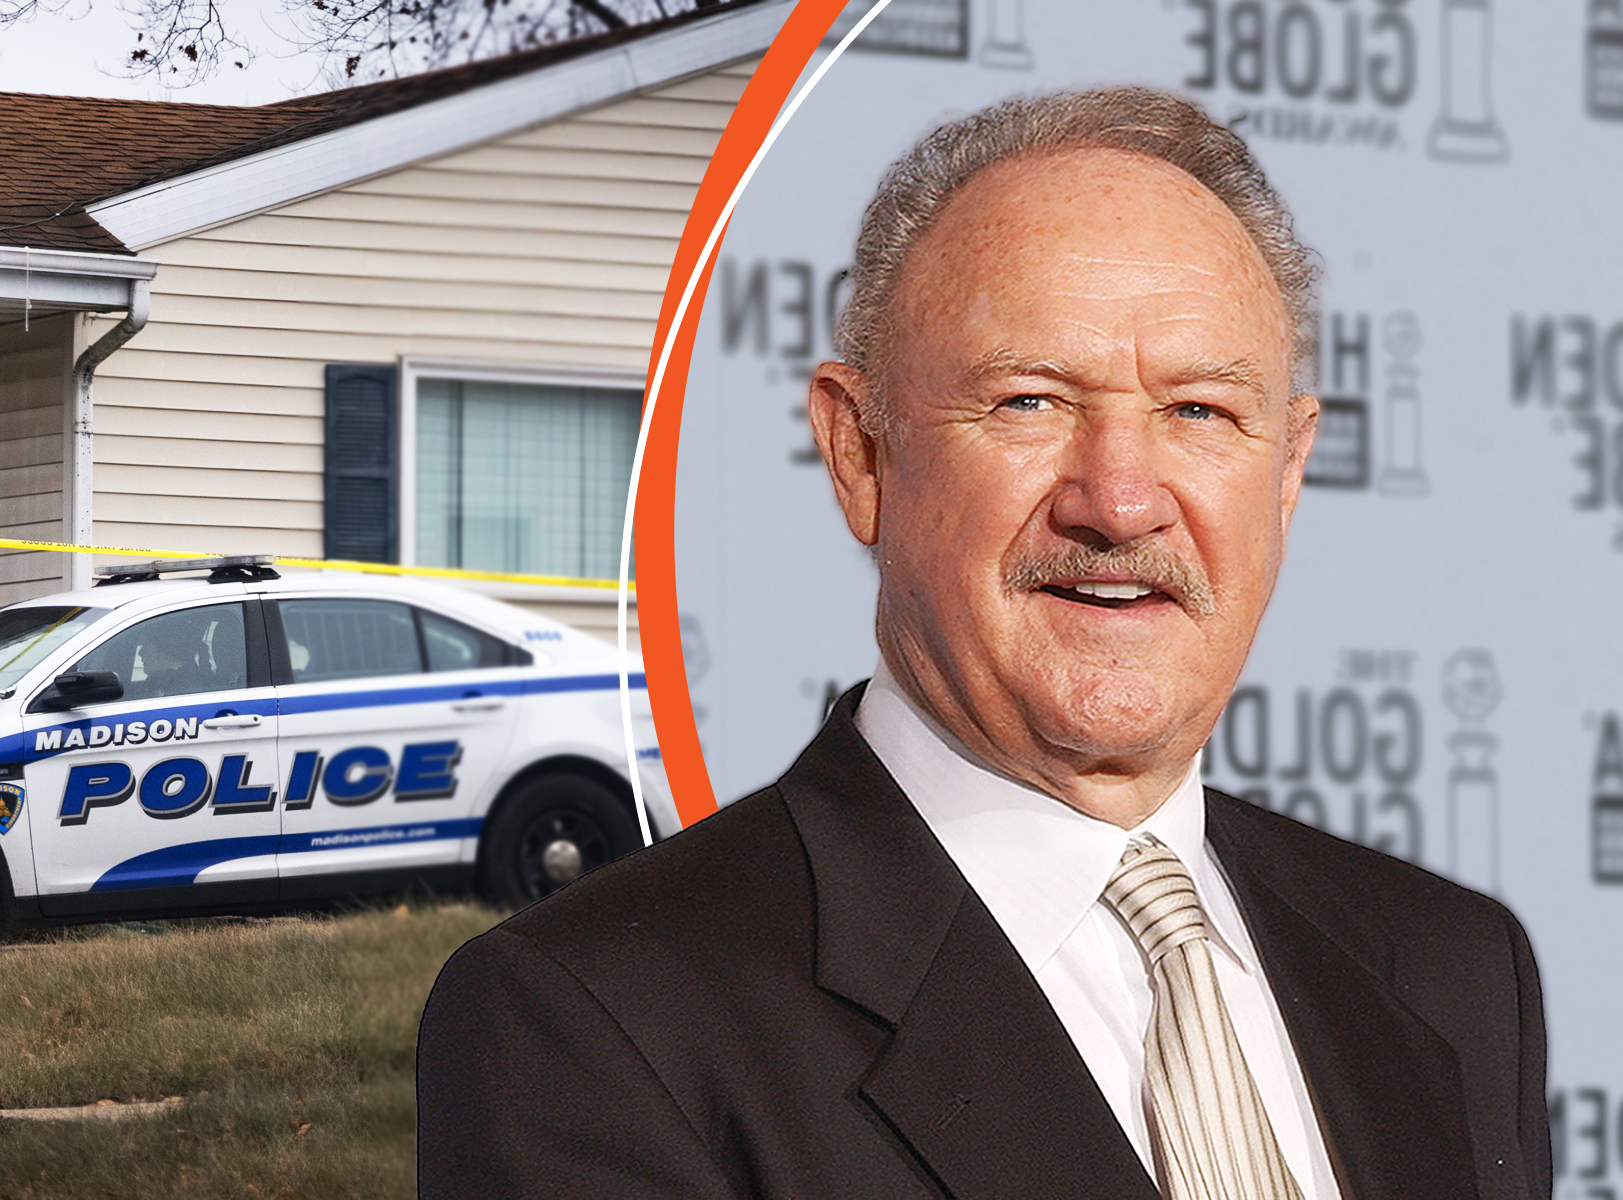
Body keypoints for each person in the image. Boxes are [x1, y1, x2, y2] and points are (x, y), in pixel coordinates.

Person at [415, 87, 1548, 1198]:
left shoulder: (1453, 970)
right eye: (1030, 402)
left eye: (1200, 411)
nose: (1119, 500)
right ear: (861, 454)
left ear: (1288, 471)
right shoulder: (592, 1026)